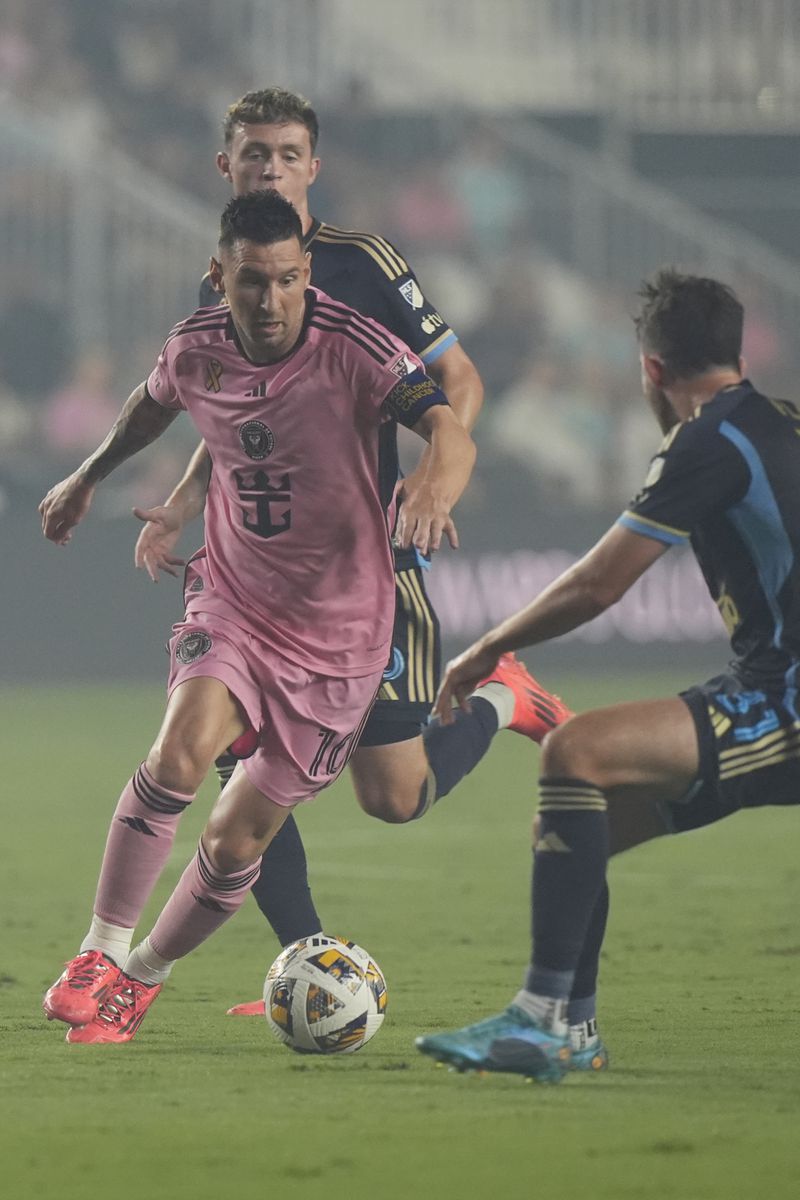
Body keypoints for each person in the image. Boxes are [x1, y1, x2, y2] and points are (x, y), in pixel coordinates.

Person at [134, 87, 573, 1014]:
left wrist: (435, 474)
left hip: (362, 567)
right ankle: (305, 958)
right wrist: (179, 502)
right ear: (227, 165)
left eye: (289, 153)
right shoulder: (228, 270)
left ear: (314, 166)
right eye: (255, 152)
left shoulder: (362, 264)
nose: (271, 168)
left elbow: (458, 377)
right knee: (236, 756)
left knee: (395, 796)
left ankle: (503, 697)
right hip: (251, 574)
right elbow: (231, 415)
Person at [38, 190, 476, 1044]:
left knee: (239, 836)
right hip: (237, 598)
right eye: (250, 282)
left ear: (305, 273)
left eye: (284, 281)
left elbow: (449, 427)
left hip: (343, 637)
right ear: (219, 275)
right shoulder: (195, 345)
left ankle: (141, 980)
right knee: (177, 753)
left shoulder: (356, 345)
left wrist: (431, 482)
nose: (269, 301)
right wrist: (89, 475)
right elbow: (153, 401)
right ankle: (99, 950)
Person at [416, 268, 800, 1081]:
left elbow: (597, 583)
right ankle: (574, 1026)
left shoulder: (709, 439)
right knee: (582, 826)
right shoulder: (783, 422)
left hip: (784, 701)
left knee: (575, 751)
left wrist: (487, 647)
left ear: (652, 369)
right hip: (763, 687)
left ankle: (541, 1018)